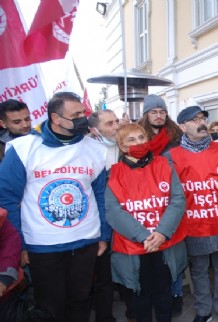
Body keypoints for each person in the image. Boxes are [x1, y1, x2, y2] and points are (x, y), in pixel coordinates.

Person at [0, 91, 110, 322]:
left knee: (81, 301)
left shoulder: (96, 150)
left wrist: (103, 235)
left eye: (84, 113)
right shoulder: (23, 148)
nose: (84, 118)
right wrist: (19, 245)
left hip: (86, 241)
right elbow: (7, 199)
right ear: (56, 118)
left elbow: (101, 195)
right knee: (49, 307)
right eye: (76, 115)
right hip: (42, 246)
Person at [168, 105, 218, 322]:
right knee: (199, 269)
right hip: (193, 224)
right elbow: (170, 196)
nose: (201, 123)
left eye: (202, 118)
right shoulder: (171, 156)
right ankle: (204, 310)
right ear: (182, 126)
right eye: (194, 120)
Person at [105, 123, 187, 322]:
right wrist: (143, 236)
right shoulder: (114, 172)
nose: (138, 142)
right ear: (123, 147)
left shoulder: (164, 165)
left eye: (141, 137)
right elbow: (113, 210)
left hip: (164, 243)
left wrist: (161, 233)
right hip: (134, 245)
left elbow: (177, 199)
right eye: (131, 140)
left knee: (163, 292)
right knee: (140, 295)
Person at [87, 109, 122, 322]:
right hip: (99, 219)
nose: (116, 126)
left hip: (125, 216)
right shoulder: (87, 151)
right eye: (109, 124)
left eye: (116, 121)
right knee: (102, 275)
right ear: (94, 129)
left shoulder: (126, 146)